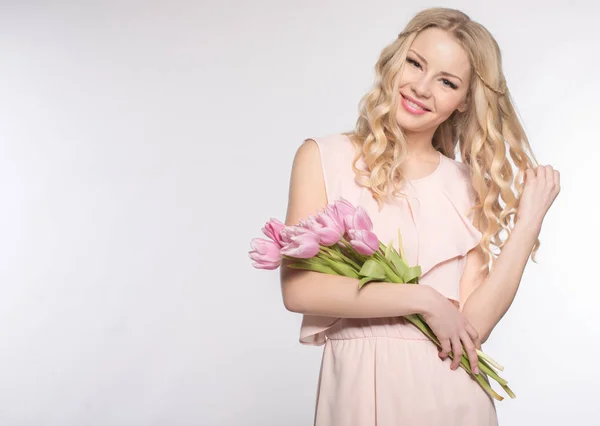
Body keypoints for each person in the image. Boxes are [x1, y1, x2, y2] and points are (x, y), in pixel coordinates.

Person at [279, 7, 560, 426]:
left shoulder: (468, 185)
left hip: (452, 394)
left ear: (464, 100)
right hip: (358, 389)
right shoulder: (322, 157)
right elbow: (299, 290)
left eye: (447, 82)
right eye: (416, 63)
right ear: (396, 60)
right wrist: (425, 300)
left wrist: (528, 225)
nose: (422, 88)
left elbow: (472, 329)